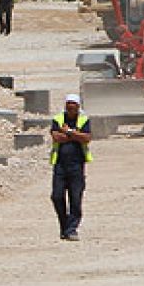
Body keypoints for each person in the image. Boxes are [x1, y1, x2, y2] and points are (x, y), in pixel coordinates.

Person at [50, 93, 92, 241]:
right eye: (68, 106)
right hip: (60, 165)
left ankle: (72, 228)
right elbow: (56, 137)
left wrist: (68, 132)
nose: (70, 109)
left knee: (75, 198)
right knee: (56, 196)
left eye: (73, 106)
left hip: (77, 165)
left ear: (78, 107)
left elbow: (86, 138)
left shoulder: (84, 120)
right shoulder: (58, 119)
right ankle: (64, 225)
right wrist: (75, 135)